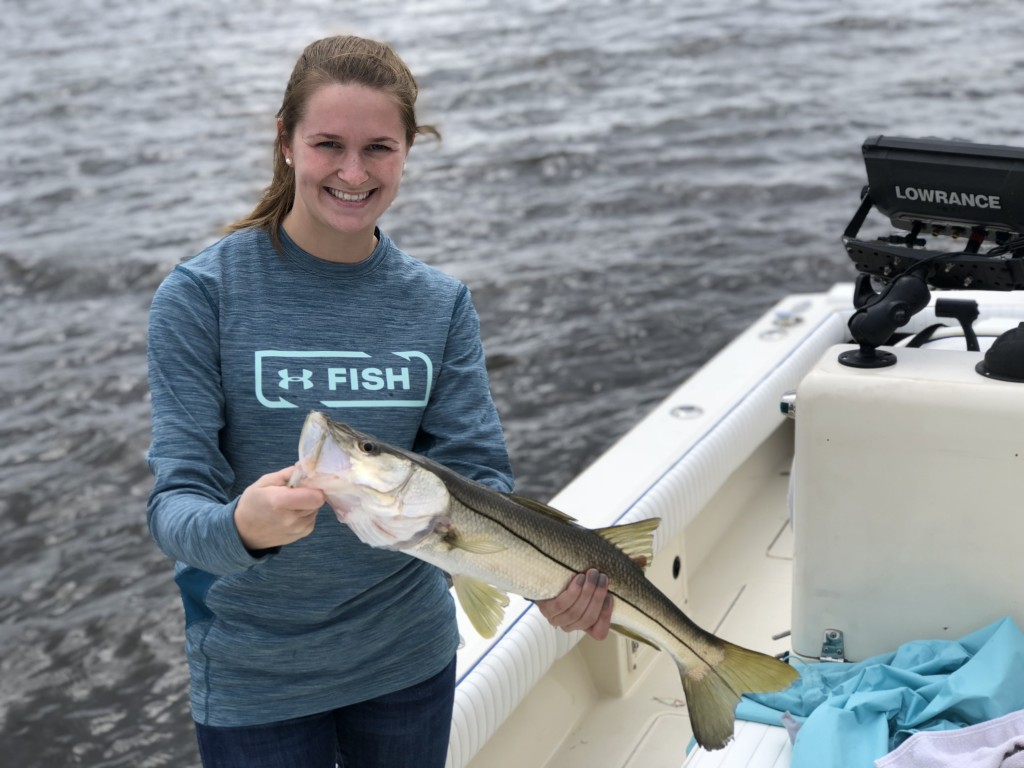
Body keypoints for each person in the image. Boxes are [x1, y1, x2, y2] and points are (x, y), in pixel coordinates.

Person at [146, 34, 611, 768]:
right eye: (329, 144)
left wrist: (542, 580)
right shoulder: (202, 297)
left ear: (407, 152)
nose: (353, 172)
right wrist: (243, 526)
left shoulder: (439, 303)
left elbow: (478, 480)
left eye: (380, 149)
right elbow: (174, 506)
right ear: (287, 143)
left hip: (406, 661)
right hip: (254, 674)